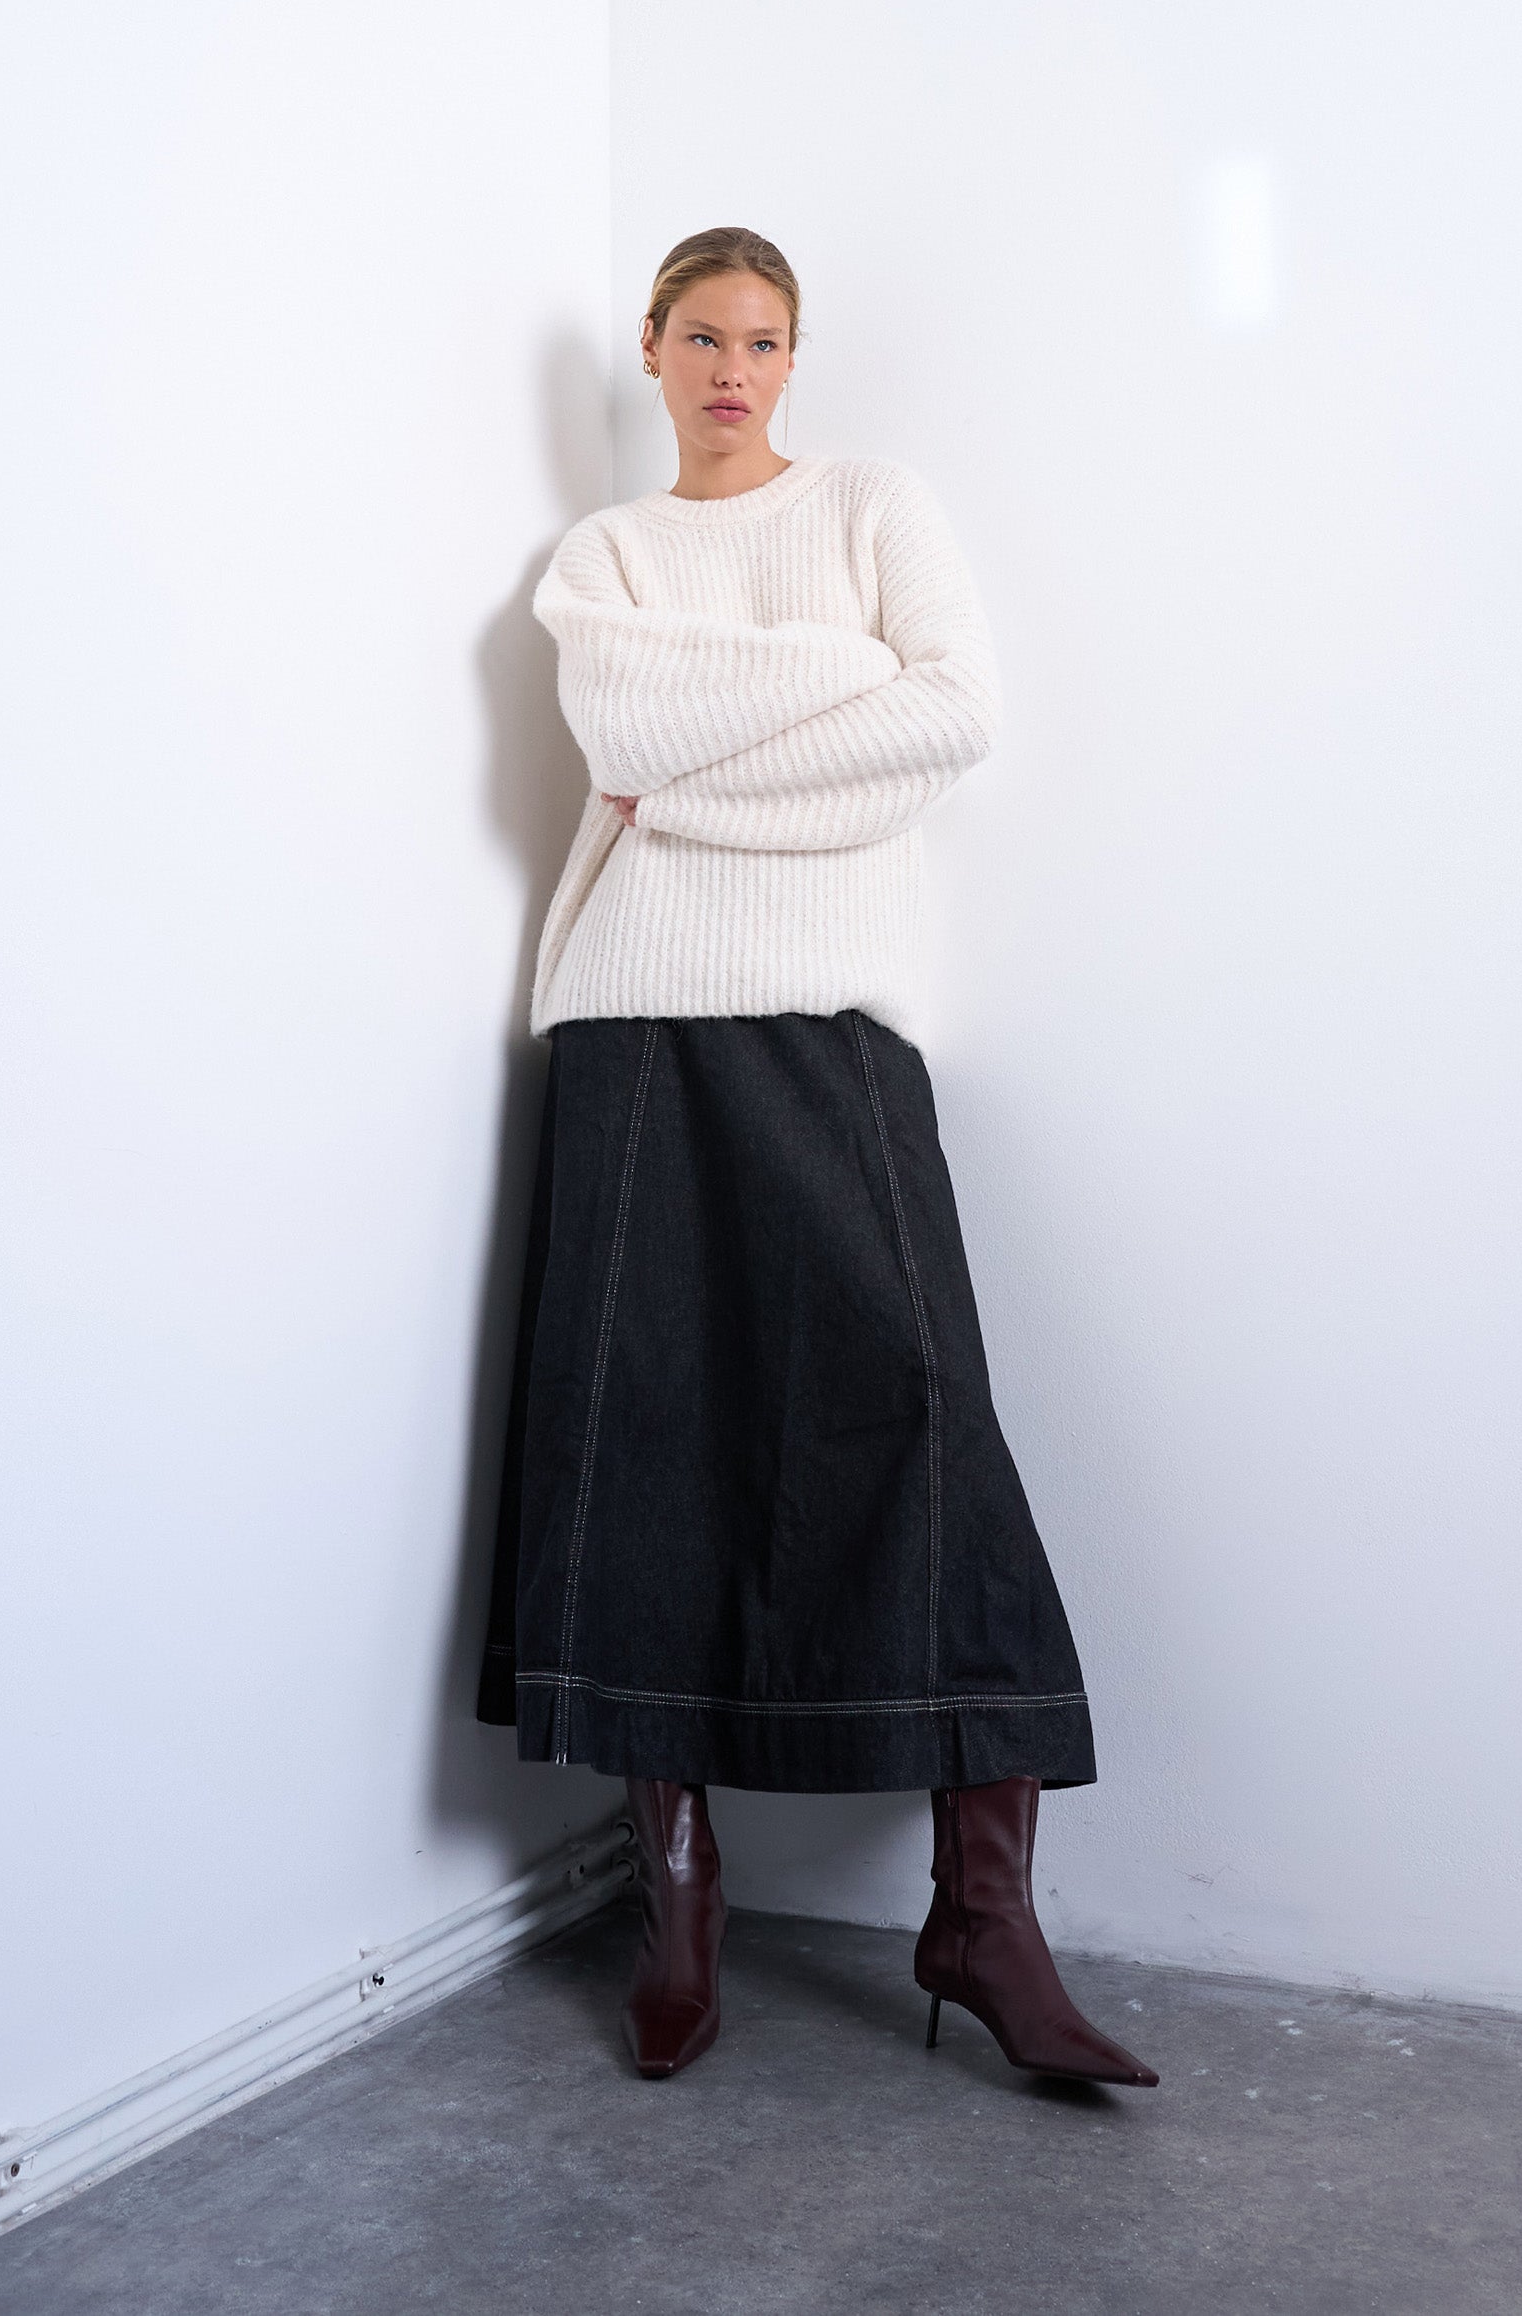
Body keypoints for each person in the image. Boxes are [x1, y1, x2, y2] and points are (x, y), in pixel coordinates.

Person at [477, 227, 1156, 2093]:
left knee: (924, 1418)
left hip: (835, 1017)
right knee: (644, 1437)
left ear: (794, 359)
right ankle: (679, 1907)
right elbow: (620, 719)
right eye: (702, 335)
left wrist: (688, 792)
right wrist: (822, 693)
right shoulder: (605, 558)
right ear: (650, 348)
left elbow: (952, 711)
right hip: (634, 1020)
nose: (732, 368)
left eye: (764, 340)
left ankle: (986, 1919)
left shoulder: (873, 507)